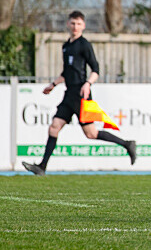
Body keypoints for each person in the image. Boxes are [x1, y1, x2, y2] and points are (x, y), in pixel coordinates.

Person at [22, 11, 136, 175]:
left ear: (83, 26)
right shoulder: (66, 46)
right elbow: (66, 72)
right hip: (69, 95)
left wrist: (88, 84)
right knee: (54, 127)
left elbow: (95, 69)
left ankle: (127, 144)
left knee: (91, 134)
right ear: (68, 24)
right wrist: (53, 84)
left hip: (82, 96)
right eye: (73, 23)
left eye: (79, 24)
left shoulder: (84, 45)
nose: (75, 27)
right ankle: (42, 167)